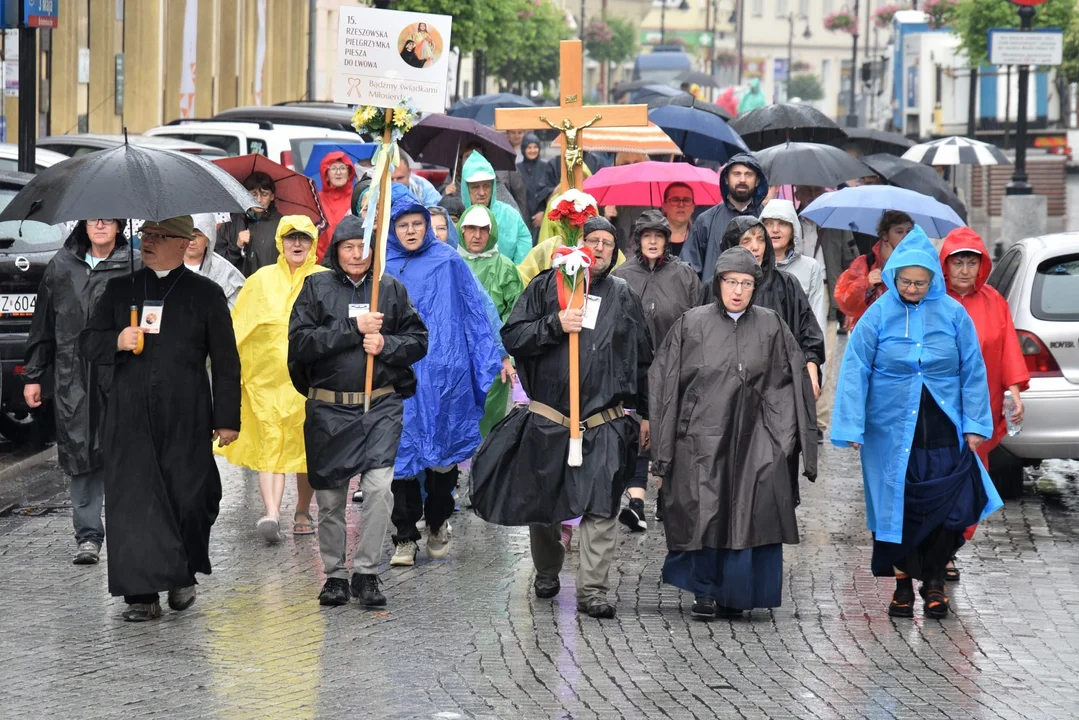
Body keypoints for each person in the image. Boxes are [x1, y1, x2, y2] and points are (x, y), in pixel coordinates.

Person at [471, 216, 653, 619]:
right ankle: (548, 569)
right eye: (593, 240)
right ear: (579, 242)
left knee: (602, 505)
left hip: (603, 420)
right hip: (550, 417)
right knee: (546, 504)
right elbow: (513, 336)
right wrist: (556, 323)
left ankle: (593, 589)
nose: (601, 248)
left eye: (608, 242)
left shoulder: (623, 295)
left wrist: (645, 414)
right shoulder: (543, 286)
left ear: (615, 250)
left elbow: (643, 359)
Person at [830, 226, 1002, 619]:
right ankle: (904, 586)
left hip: (943, 426)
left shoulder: (954, 314)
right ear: (894, 278)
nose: (911, 289)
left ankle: (936, 581)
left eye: (920, 283)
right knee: (897, 509)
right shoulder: (876, 316)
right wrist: (852, 427)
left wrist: (976, 424)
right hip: (889, 431)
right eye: (905, 281)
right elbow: (855, 370)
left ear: (933, 280)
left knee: (952, 506)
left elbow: (972, 369)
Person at [79, 216, 241, 622]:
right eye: (145, 235)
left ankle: (182, 571)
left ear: (183, 242)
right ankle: (141, 594)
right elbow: (87, 342)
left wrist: (228, 418)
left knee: (190, 498)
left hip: (186, 413)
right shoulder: (121, 289)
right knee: (132, 502)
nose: (147, 242)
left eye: (158, 236)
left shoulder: (206, 294)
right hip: (129, 413)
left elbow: (225, 361)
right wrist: (117, 339)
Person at [651, 246, 817, 619]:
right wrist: (664, 451)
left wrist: (785, 440)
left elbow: (792, 380)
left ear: (755, 286)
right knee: (705, 510)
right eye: (731, 282)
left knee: (750, 511)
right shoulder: (691, 324)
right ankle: (705, 591)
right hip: (701, 437)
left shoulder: (772, 324)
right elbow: (665, 384)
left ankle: (738, 592)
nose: (738, 290)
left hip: (759, 437)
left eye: (746, 283)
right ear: (718, 283)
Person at [288, 214, 428, 607]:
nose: (356, 255)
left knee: (380, 490)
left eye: (363, 247)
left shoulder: (390, 289)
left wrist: (386, 345)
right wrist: (354, 330)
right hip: (330, 409)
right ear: (335, 251)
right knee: (330, 499)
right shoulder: (315, 287)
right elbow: (300, 344)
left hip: (379, 407)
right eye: (348, 247)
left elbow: (418, 340)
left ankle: (366, 572)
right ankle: (334, 574)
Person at [382, 184, 503, 566]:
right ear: (393, 229)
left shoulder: (449, 261)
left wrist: (489, 356)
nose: (412, 231)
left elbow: (474, 311)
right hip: (398, 373)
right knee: (398, 455)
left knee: (441, 455)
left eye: (418, 223)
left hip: (443, 375)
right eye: (404, 225)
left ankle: (436, 521)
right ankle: (404, 535)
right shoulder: (380, 266)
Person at [23, 218, 138, 565]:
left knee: (123, 451)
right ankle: (87, 535)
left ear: (119, 226)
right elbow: (43, 323)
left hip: (119, 371)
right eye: (93, 218)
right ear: (84, 225)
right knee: (79, 450)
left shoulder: (133, 266)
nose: (100, 224)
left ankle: (128, 530)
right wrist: (33, 375)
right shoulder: (61, 266)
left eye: (108, 218)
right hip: (72, 375)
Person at [219, 216, 327, 542]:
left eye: (304, 238)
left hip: (309, 382)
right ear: (281, 241)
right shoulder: (260, 280)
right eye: (291, 237)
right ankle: (271, 513)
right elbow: (239, 325)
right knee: (271, 445)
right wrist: (230, 370)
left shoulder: (324, 280)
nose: (297, 244)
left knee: (306, 448)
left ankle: (303, 509)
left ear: (312, 242)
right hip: (265, 381)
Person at [939, 227, 1029, 581]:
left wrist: (1016, 393)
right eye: (957, 261)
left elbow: (1008, 350)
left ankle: (955, 541)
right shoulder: (933, 300)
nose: (964, 270)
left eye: (971, 262)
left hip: (982, 409)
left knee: (973, 481)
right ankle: (941, 548)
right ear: (945, 265)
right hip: (941, 409)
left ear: (982, 265)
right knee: (942, 476)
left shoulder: (995, 302)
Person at [611, 210, 699, 530]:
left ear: (667, 240)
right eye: (646, 235)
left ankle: (666, 494)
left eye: (658, 235)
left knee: (671, 430)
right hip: (631, 369)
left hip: (674, 365)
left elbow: (697, 321)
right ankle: (635, 501)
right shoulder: (622, 274)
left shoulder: (685, 275)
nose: (652, 241)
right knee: (636, 433)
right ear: (638, 239)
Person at [700, 217, 825, 398]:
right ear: (731, 246)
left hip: (777, 390)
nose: (755, 247)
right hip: (724, 391)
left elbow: (809, 336)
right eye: (746, 240)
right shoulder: (714, 288)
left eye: (760, 239)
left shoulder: (786, 285)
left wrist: (812, 374)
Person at [457, 205, 523, 436]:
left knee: (490, 422)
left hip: (494, 358)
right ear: (461, 230)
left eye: (483, 229)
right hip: (458, 355)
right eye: (471, 228)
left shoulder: (505, 267)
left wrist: (507, 356)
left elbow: (516, 316)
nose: (477, 235)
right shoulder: (450, 262)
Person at [681, 153, 769, 281]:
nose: (742, 180)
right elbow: (689, 270)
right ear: (726, 179)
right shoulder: (706, 220)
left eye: (748, 174)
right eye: (737, 174)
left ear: (757, 181)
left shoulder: (767, 219)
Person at [794, 185, 859, 332]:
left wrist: (850, 303)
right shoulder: (789, 224)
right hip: (795, 287)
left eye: (817, 190)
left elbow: (852, 265)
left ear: (824, 193)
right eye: (807, 190)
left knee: (825, 345)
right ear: (797, 195)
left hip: (826, 288)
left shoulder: (838, 224)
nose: (812, 195)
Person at [518, 200, 628, 286]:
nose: (578, 225)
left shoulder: (609, 250)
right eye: (571, 217)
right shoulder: (548, 248)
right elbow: (523, 280)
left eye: (586, 218)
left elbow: (624, 278)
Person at [833, 210, 913, 326]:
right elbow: (846, 302)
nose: (905, 236)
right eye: (899, 231)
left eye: (909, 231)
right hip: (869, 332)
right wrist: (867, 285)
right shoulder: (865, 263)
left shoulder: (918, 263)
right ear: (885, 235)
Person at [760, 200, 828, 336]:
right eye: (768, 224)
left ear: (793, 230)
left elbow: (817, 315)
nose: (775, 230)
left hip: (797, 348)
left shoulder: (810, 268)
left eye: (783, 223)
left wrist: (816, 354)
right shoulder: (752, 266)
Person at [460, 151, 533, 264]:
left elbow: (524, 255)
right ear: (466, 188)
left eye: (486, 186)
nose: (482, 192)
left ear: (493, 187)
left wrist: (513, 277)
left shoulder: (510, 215)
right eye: (475, 187)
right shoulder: (457, 215)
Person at [216, 172, 284, 277]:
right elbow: (217, 262)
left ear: (272, 196)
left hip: (268, 287)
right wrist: (236, 247)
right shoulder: (232, 222)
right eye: (253, 194)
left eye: (264, 194)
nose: (258, 200)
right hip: (238, 288)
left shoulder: (281, 224)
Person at [187, 214, 246, 310]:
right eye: (189, 235)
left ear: (209, 237)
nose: (192, 242)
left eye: (198, 236)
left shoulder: (226, 272)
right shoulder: (166, 265)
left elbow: (238, 314)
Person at [316, 151, 357, 263]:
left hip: (354, 260)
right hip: (322, 261)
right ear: (326, 174)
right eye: (333, 168)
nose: (338, 172)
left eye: (343, 168)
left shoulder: (358, 198)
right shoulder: (316, 200)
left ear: (349, 173)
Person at [517, 133, 552, 242]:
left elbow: (551, 191)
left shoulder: (546, 166)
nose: (532, 150)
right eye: (529, 147)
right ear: (523, 149)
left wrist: (544, 212)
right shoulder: (517, 168)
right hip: (522, 217)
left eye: (535, 147)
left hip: (542, 217)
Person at [660, 182, 695, 257]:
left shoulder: (701, 239)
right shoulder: (648, 237)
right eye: (675, 200)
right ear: (664, 206)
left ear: (693, 207)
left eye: (686, 200)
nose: (681, 205)